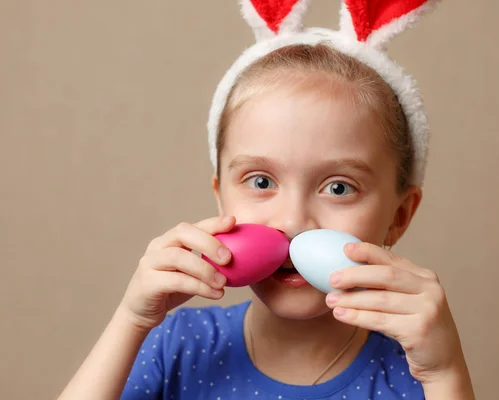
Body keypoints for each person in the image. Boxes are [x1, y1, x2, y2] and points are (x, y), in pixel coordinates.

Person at [58, 1, 475, 399]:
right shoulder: (178, 346)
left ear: (399, 216)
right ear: (222, 198)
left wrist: (444, 375)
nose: (292, 221)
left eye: (339, 188)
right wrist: (131, 321)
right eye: (260, 181)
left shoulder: (417, 371)